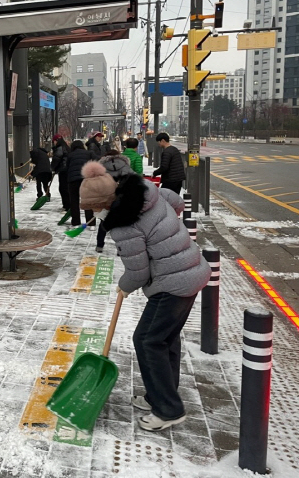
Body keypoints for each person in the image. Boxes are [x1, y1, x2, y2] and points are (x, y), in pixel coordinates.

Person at [80, 168, 210, 432]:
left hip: (173, 284)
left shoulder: (124, 224)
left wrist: (123, 287)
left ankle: (168, 409)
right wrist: (161, 231)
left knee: (147, 340)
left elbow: (138, 272)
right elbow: (175, 201)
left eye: (92, 208)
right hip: (192, 270)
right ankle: (159, 396)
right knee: (164, 340)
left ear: (102, 203)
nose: (93, 213)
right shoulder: (145, 193)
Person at [93, 151, 135, 252]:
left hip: (105, 195)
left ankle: (99, 245)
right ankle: (120, 249)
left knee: (104, 221)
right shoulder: (124, 165)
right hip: (121, 196)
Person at [66, 139, 99, 227]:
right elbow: (97, 161)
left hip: (73, 181)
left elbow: (67, 167)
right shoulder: (89, 153)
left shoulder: (70, 155)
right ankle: (91, 223)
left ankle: (76, 222)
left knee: (74, 201)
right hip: (86, 180)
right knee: (87, 201)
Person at [50, 134, 70, 211]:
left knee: (63, 188)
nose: (54, 143)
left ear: (56, 141)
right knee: (65, 188)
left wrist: (52, 168)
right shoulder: (66, 147)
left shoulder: (60, 148)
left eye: (54, 141)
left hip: (63, 170)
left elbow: (56, 159)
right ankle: (67, 204)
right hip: (66, 169)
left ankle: (67, 205)